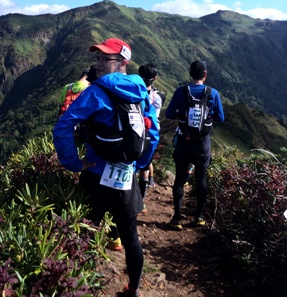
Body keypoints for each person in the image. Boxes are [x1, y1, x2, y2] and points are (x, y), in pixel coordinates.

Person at [53, 37, 159, 297]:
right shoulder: (141, 91)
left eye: (104, 58)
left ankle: (74, 287)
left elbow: (64, 126)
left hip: (96, 174)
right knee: (129, 236)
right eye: (97, 58)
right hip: (125, 178)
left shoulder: (95, 92)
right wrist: (141, 164)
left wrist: (73, 163)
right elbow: (153, 132)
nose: (98, 63)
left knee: (84, 234)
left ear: (123, 62)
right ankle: (132, 289)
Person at [165, 60, 224, 230]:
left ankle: (177, 218)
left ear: (190, 74)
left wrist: (182, 112)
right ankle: (198, 216)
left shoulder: (180, 92)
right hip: (202, 144)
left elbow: (169, 114)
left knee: (180, 179)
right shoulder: (213, 93)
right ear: (205, 74)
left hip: (184, 141)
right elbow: (221, 118)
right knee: (201, 178)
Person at [138, 63, 166, 213]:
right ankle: (140, 202)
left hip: (134, 133)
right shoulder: (161, 96)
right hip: (152, 135)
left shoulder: (131, 92)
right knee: (144, 168)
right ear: (154, 78)